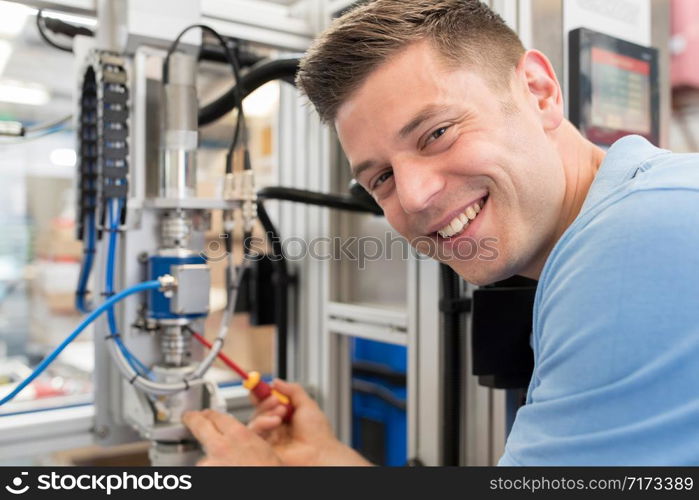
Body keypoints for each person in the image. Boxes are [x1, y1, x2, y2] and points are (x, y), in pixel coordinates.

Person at [183, 0, 699, 465]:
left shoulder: (633, 246)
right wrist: (327, 462)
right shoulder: (645, 202)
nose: (412, 197)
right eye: (380, 178)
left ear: (539, 92)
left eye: (436, 133)